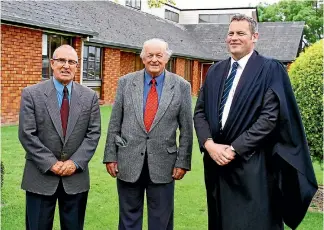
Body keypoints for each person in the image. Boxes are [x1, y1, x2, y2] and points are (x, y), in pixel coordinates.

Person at [193, 14, 317, 230]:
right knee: (220, 222)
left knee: (253, 222)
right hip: (216, 165)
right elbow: (200, 113)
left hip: (253, 165)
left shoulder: (270, 69)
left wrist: (234, 149)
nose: (234, 37)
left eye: (241, 33)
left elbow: (269, 119)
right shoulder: (215, 71)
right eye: (231, 33)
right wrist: (209, 145)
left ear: (254, 37)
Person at [103, 38, 193, 230]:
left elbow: (186, 129)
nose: (154, 59)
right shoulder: (126, 83)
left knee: (161, 222)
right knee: (128, 221)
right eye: (149, 55)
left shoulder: (181, 86)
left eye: (159, 55)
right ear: (142, 58)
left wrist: (182, 161)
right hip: (128, 161)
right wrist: (110, 156)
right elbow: (114, 122)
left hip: (164, 165)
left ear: (166, 58)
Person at [19, 45, 101, 230]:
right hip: (40, 177)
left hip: (76, 179)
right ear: (52, 63)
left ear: (77, 66)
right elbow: (27, 133)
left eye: (71, 62)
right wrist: (51, 163)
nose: (66, 66)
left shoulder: (89, 97)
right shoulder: (32, 94)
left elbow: (93, 134)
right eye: (62, 61)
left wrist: (75, 163)